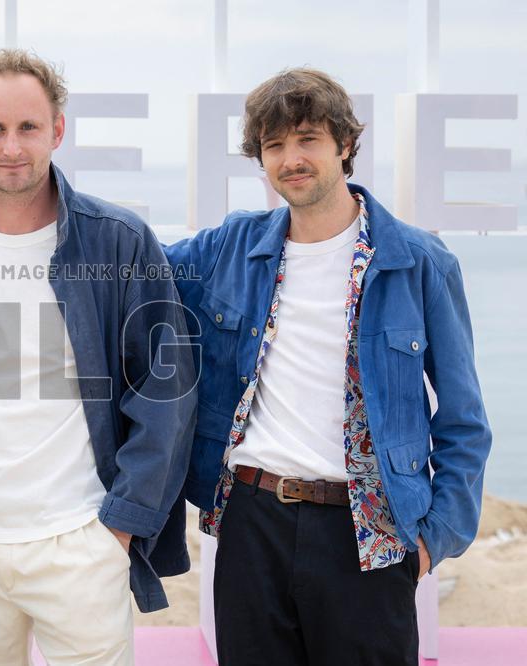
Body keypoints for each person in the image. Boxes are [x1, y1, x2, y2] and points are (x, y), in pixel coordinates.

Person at [165, 68, 492, 665]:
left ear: (344, 143)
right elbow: (126, 260)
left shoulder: (418, 263)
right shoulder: (229, 248)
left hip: (366, 531)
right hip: (251, 525)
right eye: (273, 145)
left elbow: (465, 419)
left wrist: (432, 539)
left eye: (307, 138)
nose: (291, 158)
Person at [0, 49, 196, 666]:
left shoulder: (116, 240)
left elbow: (167, 389)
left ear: (57, 131)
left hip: (80, 537)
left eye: (28, 127)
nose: (11, 146)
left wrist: (120, 526)